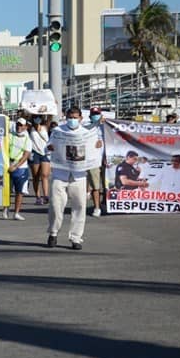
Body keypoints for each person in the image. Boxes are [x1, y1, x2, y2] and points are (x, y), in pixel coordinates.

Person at [46, 106, 101, 251]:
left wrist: (98, 146)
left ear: (81, 118)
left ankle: (75, 237)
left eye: (75, 117)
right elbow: (48, 145)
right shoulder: (58, 131)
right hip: (60, 173)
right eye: (70, 117)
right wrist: (50, 147)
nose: (73, 120)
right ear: (66, 117)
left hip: (78, 175)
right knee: (56, 206)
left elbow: (96, 149)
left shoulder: (88, 132)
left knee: (80, 206)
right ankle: (53, 232)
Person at [6, 118, 31, 220]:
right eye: (18, 125)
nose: (19, 127)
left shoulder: (27, 139)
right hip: (8, 164)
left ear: (25, 127)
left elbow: (26, 155)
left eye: (21, 125)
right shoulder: (10, 135)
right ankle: (6, 207)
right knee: (7, 190)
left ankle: (16, 212)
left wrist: (16, 166)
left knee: (19, 191)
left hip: (20, 167)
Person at [86, 107, 105, 217]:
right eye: (94, 114)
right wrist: (97, 122)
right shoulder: (87, 126)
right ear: (90, 116)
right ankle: (96, 207)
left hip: (105, 160)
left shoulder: (106, 126)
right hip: (93, 160)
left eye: (97, 114)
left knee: (107, 184)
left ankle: (105, 203)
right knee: (95, 186)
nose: (95, 116)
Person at [29, 116, 50, 205]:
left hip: (45, 152)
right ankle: (38, 196)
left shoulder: (45, 126)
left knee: (45, 175)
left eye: (39, 117)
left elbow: (50, 117)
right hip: (35, 152)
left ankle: (46, 196)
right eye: (35, 117)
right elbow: (23, 115)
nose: (37, 119)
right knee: (36, 176)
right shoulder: (30, 127)